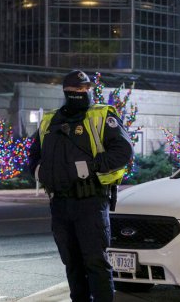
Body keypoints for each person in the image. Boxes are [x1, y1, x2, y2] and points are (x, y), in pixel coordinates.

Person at [29, 70, 133, 302]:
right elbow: (34, 154)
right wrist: (40, 171)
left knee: (95, 262)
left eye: (85, 89)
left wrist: (92, 166)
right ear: (66, 91)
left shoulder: (102, 115)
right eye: (75, 90)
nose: (81, 93)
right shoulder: (50, 120)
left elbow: (123, 151)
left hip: (91, 202)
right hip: (60, 203)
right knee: (72, 263)